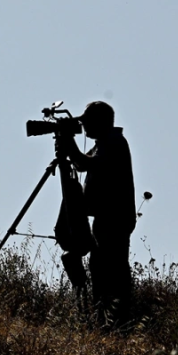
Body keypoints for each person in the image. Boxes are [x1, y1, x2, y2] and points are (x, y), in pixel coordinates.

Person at [56, 101, 137, 327]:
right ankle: (104, 319)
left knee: (111, 272)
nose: (84, 126)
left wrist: (68, 141)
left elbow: (85, 163)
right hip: (107, 218)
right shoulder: (106, 142)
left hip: (115, 219)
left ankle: (114, 322)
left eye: (87, 121)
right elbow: (81, 164)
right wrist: (67, 145)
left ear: (100, 122)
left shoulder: (114, 142)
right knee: (100, 269)